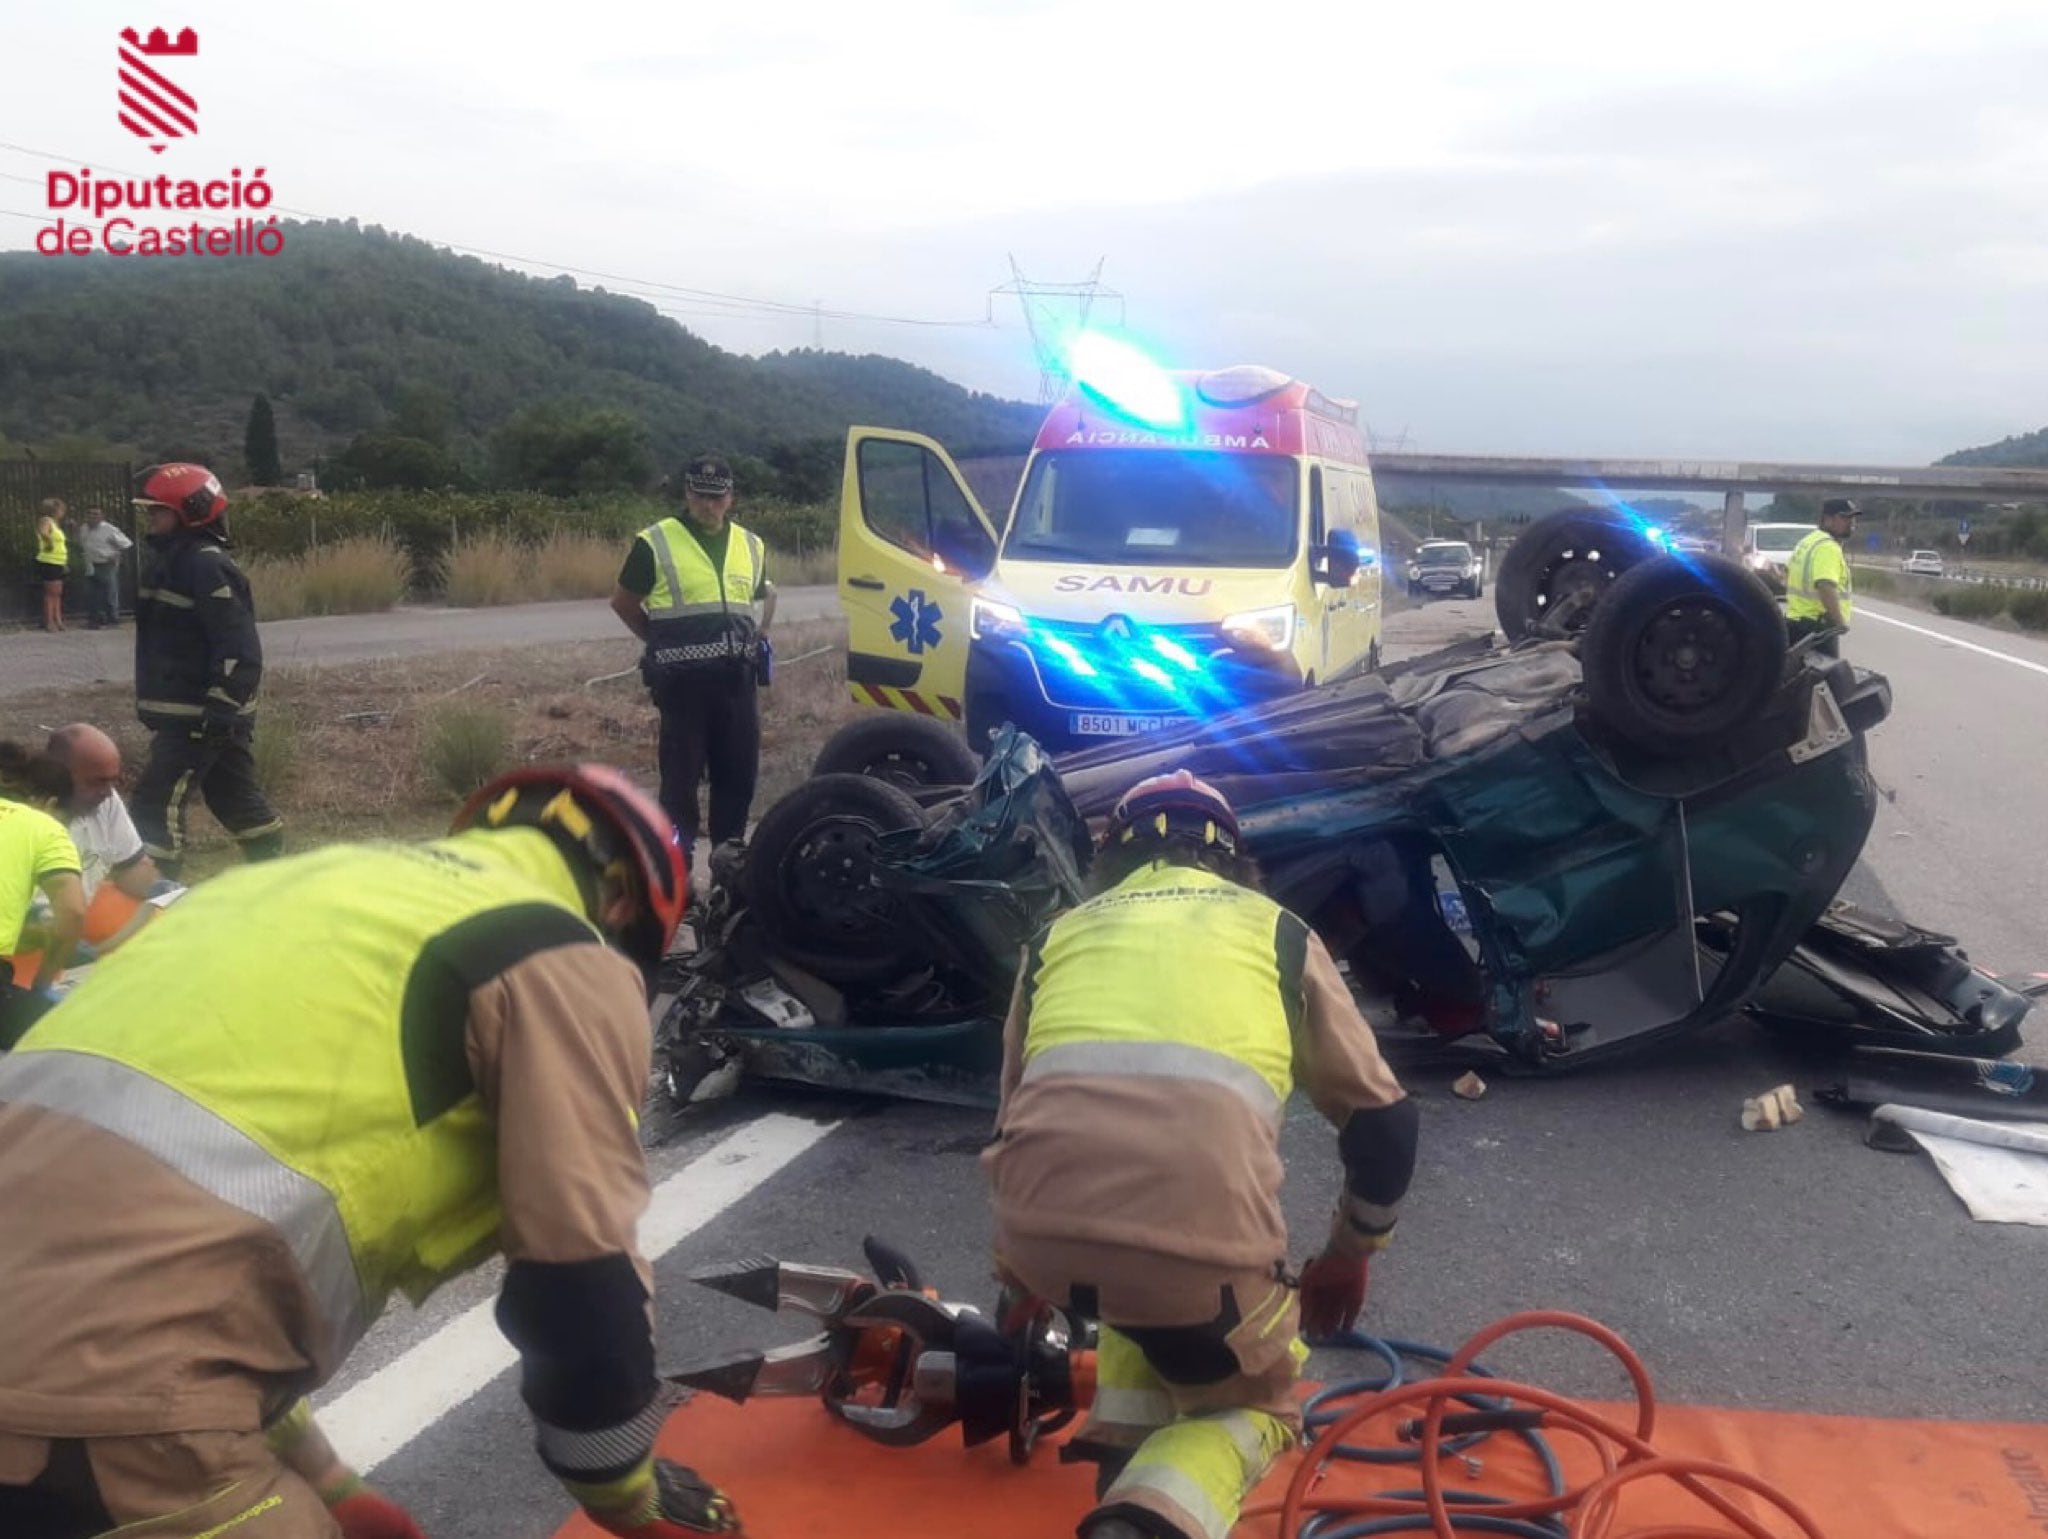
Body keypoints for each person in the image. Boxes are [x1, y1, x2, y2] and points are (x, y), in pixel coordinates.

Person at [0, 763, 743, 1539]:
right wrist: (628, 1494)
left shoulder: (275, 894)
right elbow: (581, 1274)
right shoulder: (557, 948)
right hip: (114, 1418)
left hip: (92, 1377)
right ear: (621, 900)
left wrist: (326, 1475)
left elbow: (155, 1241)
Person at [983, 771, 1420, 1539]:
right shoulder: (1276, 930)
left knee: (1134, 1285)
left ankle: (1131, 1459)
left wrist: (1019, 1283)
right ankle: (1149, 1520)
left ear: (1111, 856)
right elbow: (1384, 1122)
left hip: (1045, 1246)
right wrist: (1349, 1253)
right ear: (1234, 860)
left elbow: (1016, 1124)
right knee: (1259, 1402)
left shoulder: (1055, 937)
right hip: (1201, 1261)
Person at [610, 454, 775, 878]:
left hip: (737, 685)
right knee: (679, 788)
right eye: (700, 496)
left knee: (737, 781)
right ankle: (677, 878)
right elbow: (624, 603)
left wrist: (759, 639)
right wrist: (658, 641)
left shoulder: (751, 545)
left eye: (716, 497)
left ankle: (727, 873)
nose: (708, 505)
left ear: (730, 498)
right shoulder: (656, 541)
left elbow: (762, 596)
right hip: (682, 689)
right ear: (687, 494)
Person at [128, 462, 284, 880]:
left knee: (155, 803)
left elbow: (238, 646)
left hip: (199, 715)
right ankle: (277, 879)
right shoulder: (174, 563)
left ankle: (156, 900)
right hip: (194, 713)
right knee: (233, 797)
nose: (151, 520)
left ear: (190, 511)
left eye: (158, 511)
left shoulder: (206, 566)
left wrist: (222, 706)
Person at [0, 744, 85, 1051]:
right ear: (48, 804)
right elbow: (73, 914)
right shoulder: (42, 827)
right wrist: (43, 983)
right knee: (70, 1037)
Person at [1784, 497, 1861, 656]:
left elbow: (1788, 574)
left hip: (1795, 622)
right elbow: (1825, 586)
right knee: (1831, 677)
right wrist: (1839, 622)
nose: (1851, 522)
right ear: (1827, 519)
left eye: (1853, 518)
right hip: (1818, 627)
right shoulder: (1828, 547)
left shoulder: (1808, 541)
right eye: (1844, 517)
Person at [76, 506, 133, 628]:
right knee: (92, 593)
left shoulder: (109, 529)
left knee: (109, 593)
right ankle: (95, 619)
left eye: (96, 514)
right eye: (90, 513)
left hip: (106, 564)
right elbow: (82, 544)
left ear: (102, 516)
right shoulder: (84, 528)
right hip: (90, 564)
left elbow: (126, 543)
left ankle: (113, 619)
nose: (92, 516)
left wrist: (116, 555)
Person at [33, 497, 68, 633]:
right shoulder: (46, 521)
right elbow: (43, 533)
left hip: (58, 561)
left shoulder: (55, 524)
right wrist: (49, 542)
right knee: (51, 593)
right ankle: (49, 621)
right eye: (61, 510)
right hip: (49, 561)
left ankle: (58, 619)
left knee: (57, 592)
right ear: (55, 510)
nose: (62, 512)